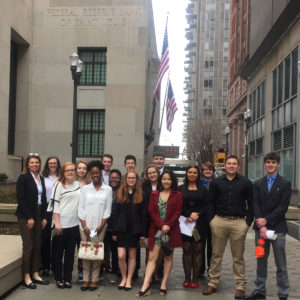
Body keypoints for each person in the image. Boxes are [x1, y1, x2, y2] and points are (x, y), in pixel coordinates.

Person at [203, 155, 253, 299]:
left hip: (238, 223)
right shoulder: (217, 182)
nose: (231, 166)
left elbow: (251, 203)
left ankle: (240, 286)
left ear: (238, 166)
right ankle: (212, 283)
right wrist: (212, 220)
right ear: (224, 166)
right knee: (216, 255)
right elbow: (210, 203)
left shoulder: (246, 183)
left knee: (238, 257)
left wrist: (247, 223)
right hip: (219, 222)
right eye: (229, 164)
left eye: (234, 164)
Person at [246, 152, 291, 300]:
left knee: (281, 263)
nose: (270, 165)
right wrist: (260, 222)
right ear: (264, 164)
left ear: (278, 164)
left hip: (278, 228)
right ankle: (259, 291)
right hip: (260, 229)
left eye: (273, 162)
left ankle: (283, 293)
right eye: (268, 162)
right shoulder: (258, 183)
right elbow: (255, 203)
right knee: (261, 261)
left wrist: (266, 221)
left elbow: (283, 207)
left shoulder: (285, 183)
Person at [136, 170, 183, 297]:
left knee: (168, 257)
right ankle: (145, 284)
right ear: (160, 181)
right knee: (152, 257)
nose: (166, 181)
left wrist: (168, 225)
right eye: (164, 179)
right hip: (156, 231)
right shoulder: (154, 194)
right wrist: (161, 225)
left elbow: (177, 212)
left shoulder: (177, 194)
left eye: (169, 179)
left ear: (172, 181)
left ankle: (164, 283)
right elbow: (151, 211)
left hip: (171, 230)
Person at [16, 153, 49, 289]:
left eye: (37, 162)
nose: (35, 164)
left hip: (39, 213)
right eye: (32, 163)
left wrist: (44, 216)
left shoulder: (40, 178)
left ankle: (35, 273)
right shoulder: (23, 178)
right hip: (26, 215)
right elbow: (21, 199)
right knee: (28, 245)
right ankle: (26, 275)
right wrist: (29, 217)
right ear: (27, 165)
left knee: (37, 244)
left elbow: (44, 198)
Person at [78, 160, 113, 291]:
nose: (95, 175)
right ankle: (86, 279)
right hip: (84, 227)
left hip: (100, 227)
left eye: (97, 172)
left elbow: (107, 210)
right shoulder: (85, 189)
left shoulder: (107, 189)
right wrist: (85, 226)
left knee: (96, 253)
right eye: (92, 173)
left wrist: (100, 227)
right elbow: (80, 209)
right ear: (90, 174)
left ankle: (95, 280)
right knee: (86, 252)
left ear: (101, 173)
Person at [112, 170, 146, 291]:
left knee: (132, 256)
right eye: (129, 178)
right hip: (121, 229)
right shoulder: (120, 193)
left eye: (133, 178)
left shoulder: (141, 194)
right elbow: (115, 213)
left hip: (134, 230)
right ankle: (123, 278)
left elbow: (144, 215)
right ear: (125, 180)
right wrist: (114, 231)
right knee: (121, 256)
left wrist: (143, 233)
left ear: (137, 180)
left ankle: (129, 280)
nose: (131, 180)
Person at [51, 162, 81, 289]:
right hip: (60, 225)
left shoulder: (78, 185)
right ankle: (59, 278)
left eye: (72, 170)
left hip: (74, 225)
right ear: (63, 172)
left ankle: (68, 278)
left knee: (70, 254)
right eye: (67, 170)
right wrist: (57, 222)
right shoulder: (58, 185)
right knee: (58, 254)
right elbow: (54, 205)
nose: (70, 172)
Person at [179, 166, 208, 288]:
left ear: (198, 174)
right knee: (186, 250)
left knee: (197, 250)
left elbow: (208, 205)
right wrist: (189, 214)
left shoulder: (204, 189)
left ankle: (195, 279)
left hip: (200, 223)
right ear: (186, 174)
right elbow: (178, 205)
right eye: (189, 172)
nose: (192, 174)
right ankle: (187, 278)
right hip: (185, 222)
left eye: (194, 172)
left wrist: (197, 214)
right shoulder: (180, 189)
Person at [41, 156, 61, 277]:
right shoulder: (43, 178)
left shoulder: (62, 177)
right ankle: (46, 266)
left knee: (58, 239)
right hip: (47, 209)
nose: (53, 165)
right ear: (47, 165)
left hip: (59, 209)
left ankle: (56, 265)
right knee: (45, 239)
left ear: (58, 164)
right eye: (50, 163)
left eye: (55, 163)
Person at [105, 169, 122, 284]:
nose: (114, 180)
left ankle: (115, 272)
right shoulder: (105, 190)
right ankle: (102, 269)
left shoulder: (122, 191)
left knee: (115, 251)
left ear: (120, 179)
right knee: (102, 249)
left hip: (117, 226)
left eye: (116, 178)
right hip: (104, 225)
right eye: (112, 177)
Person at [75, 160, 90, 281]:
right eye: (79, 168)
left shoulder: (90, 183)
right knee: (71, 246)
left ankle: (82, 270)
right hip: (71, 218)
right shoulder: (71, 182)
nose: (81, 170)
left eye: (84, 168)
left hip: (85, 219)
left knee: (83, 246)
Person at [200, 162, 215, 276]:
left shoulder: (218, 183)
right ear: (202, 172)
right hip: (200, 219)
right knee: (200, 245)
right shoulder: (198, 184)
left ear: (213, 171)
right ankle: (200, 269)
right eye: (205, 170)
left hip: (214, 219)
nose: (208, 171)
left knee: (212, 246)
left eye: (210, 169)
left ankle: (211, 268)